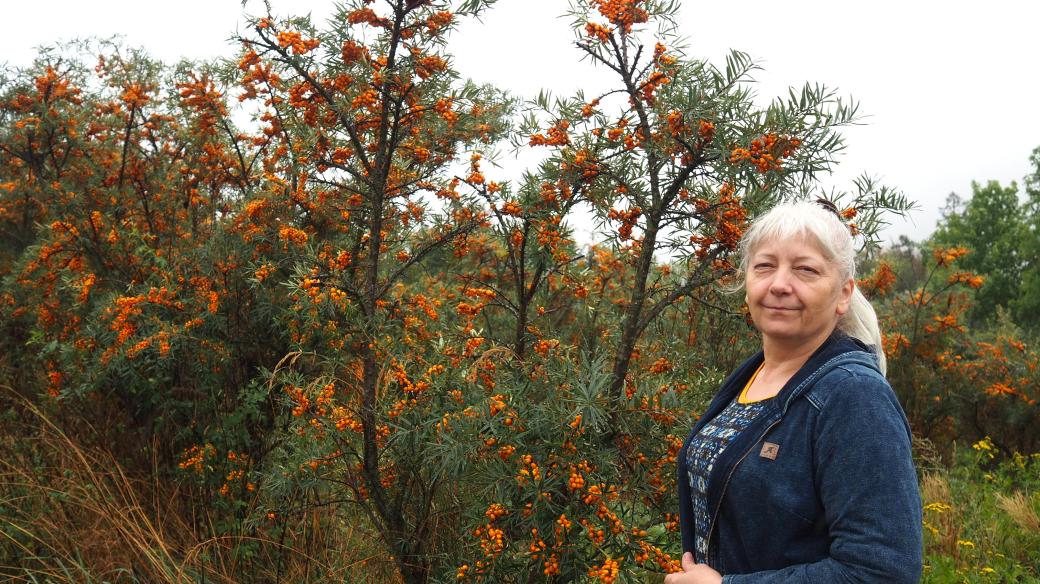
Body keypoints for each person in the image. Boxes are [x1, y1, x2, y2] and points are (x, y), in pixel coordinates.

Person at [666, 200, 922, 583]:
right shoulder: (755, 375)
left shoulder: (853, 396)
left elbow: (882, 572)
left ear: (843, 294)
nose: (780, 284)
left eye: (805, 270)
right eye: (765, 266)